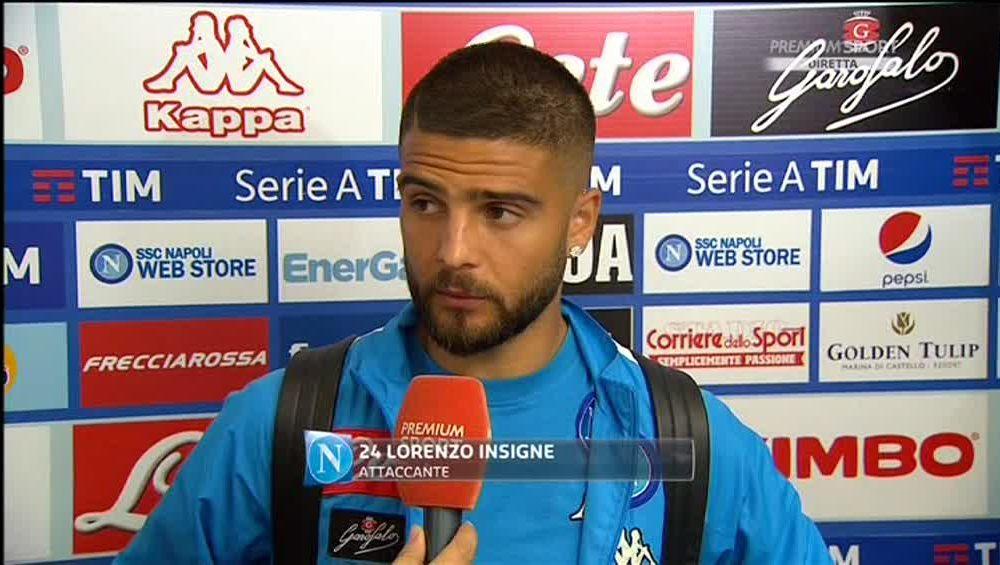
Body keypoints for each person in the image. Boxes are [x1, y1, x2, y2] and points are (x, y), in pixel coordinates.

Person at [116, 42, 831, 564]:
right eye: (425, 202)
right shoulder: (282, 424)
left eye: (500, 211)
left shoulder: (688, 443)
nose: (453, 250)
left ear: (581, 221)